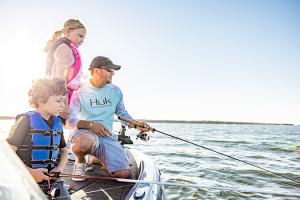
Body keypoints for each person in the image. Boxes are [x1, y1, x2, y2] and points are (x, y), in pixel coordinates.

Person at [67, 56, 150, 181]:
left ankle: (95, 158)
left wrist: (136, 124)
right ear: (97, 71)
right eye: (110, 70)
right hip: (84, 134)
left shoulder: (115, 91)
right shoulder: (79, 91)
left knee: (123, 174)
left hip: (106, 136)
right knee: (84, 141)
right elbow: (68, 120)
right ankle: (80, 161)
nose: (113, 73)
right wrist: (90, 125)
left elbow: (122, 115)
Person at [6, 78, 70, 199]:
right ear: (41, 100)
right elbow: (6, 153)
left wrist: (59, 168)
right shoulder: (25, 120)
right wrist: (30, 172)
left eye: (63, 101)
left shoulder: (57, 123)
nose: (63, 105)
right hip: (25, 182)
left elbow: (64, 151)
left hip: (53, 182)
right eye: (58, 100)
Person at [44, 18, 86, 105]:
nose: (82, 40)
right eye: (80, 36)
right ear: (67, 32)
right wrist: (64, 104)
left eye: (84, 38)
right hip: (58, 99)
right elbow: (60, 79)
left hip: (57, 97)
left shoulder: (64, 47)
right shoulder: (65, 49)